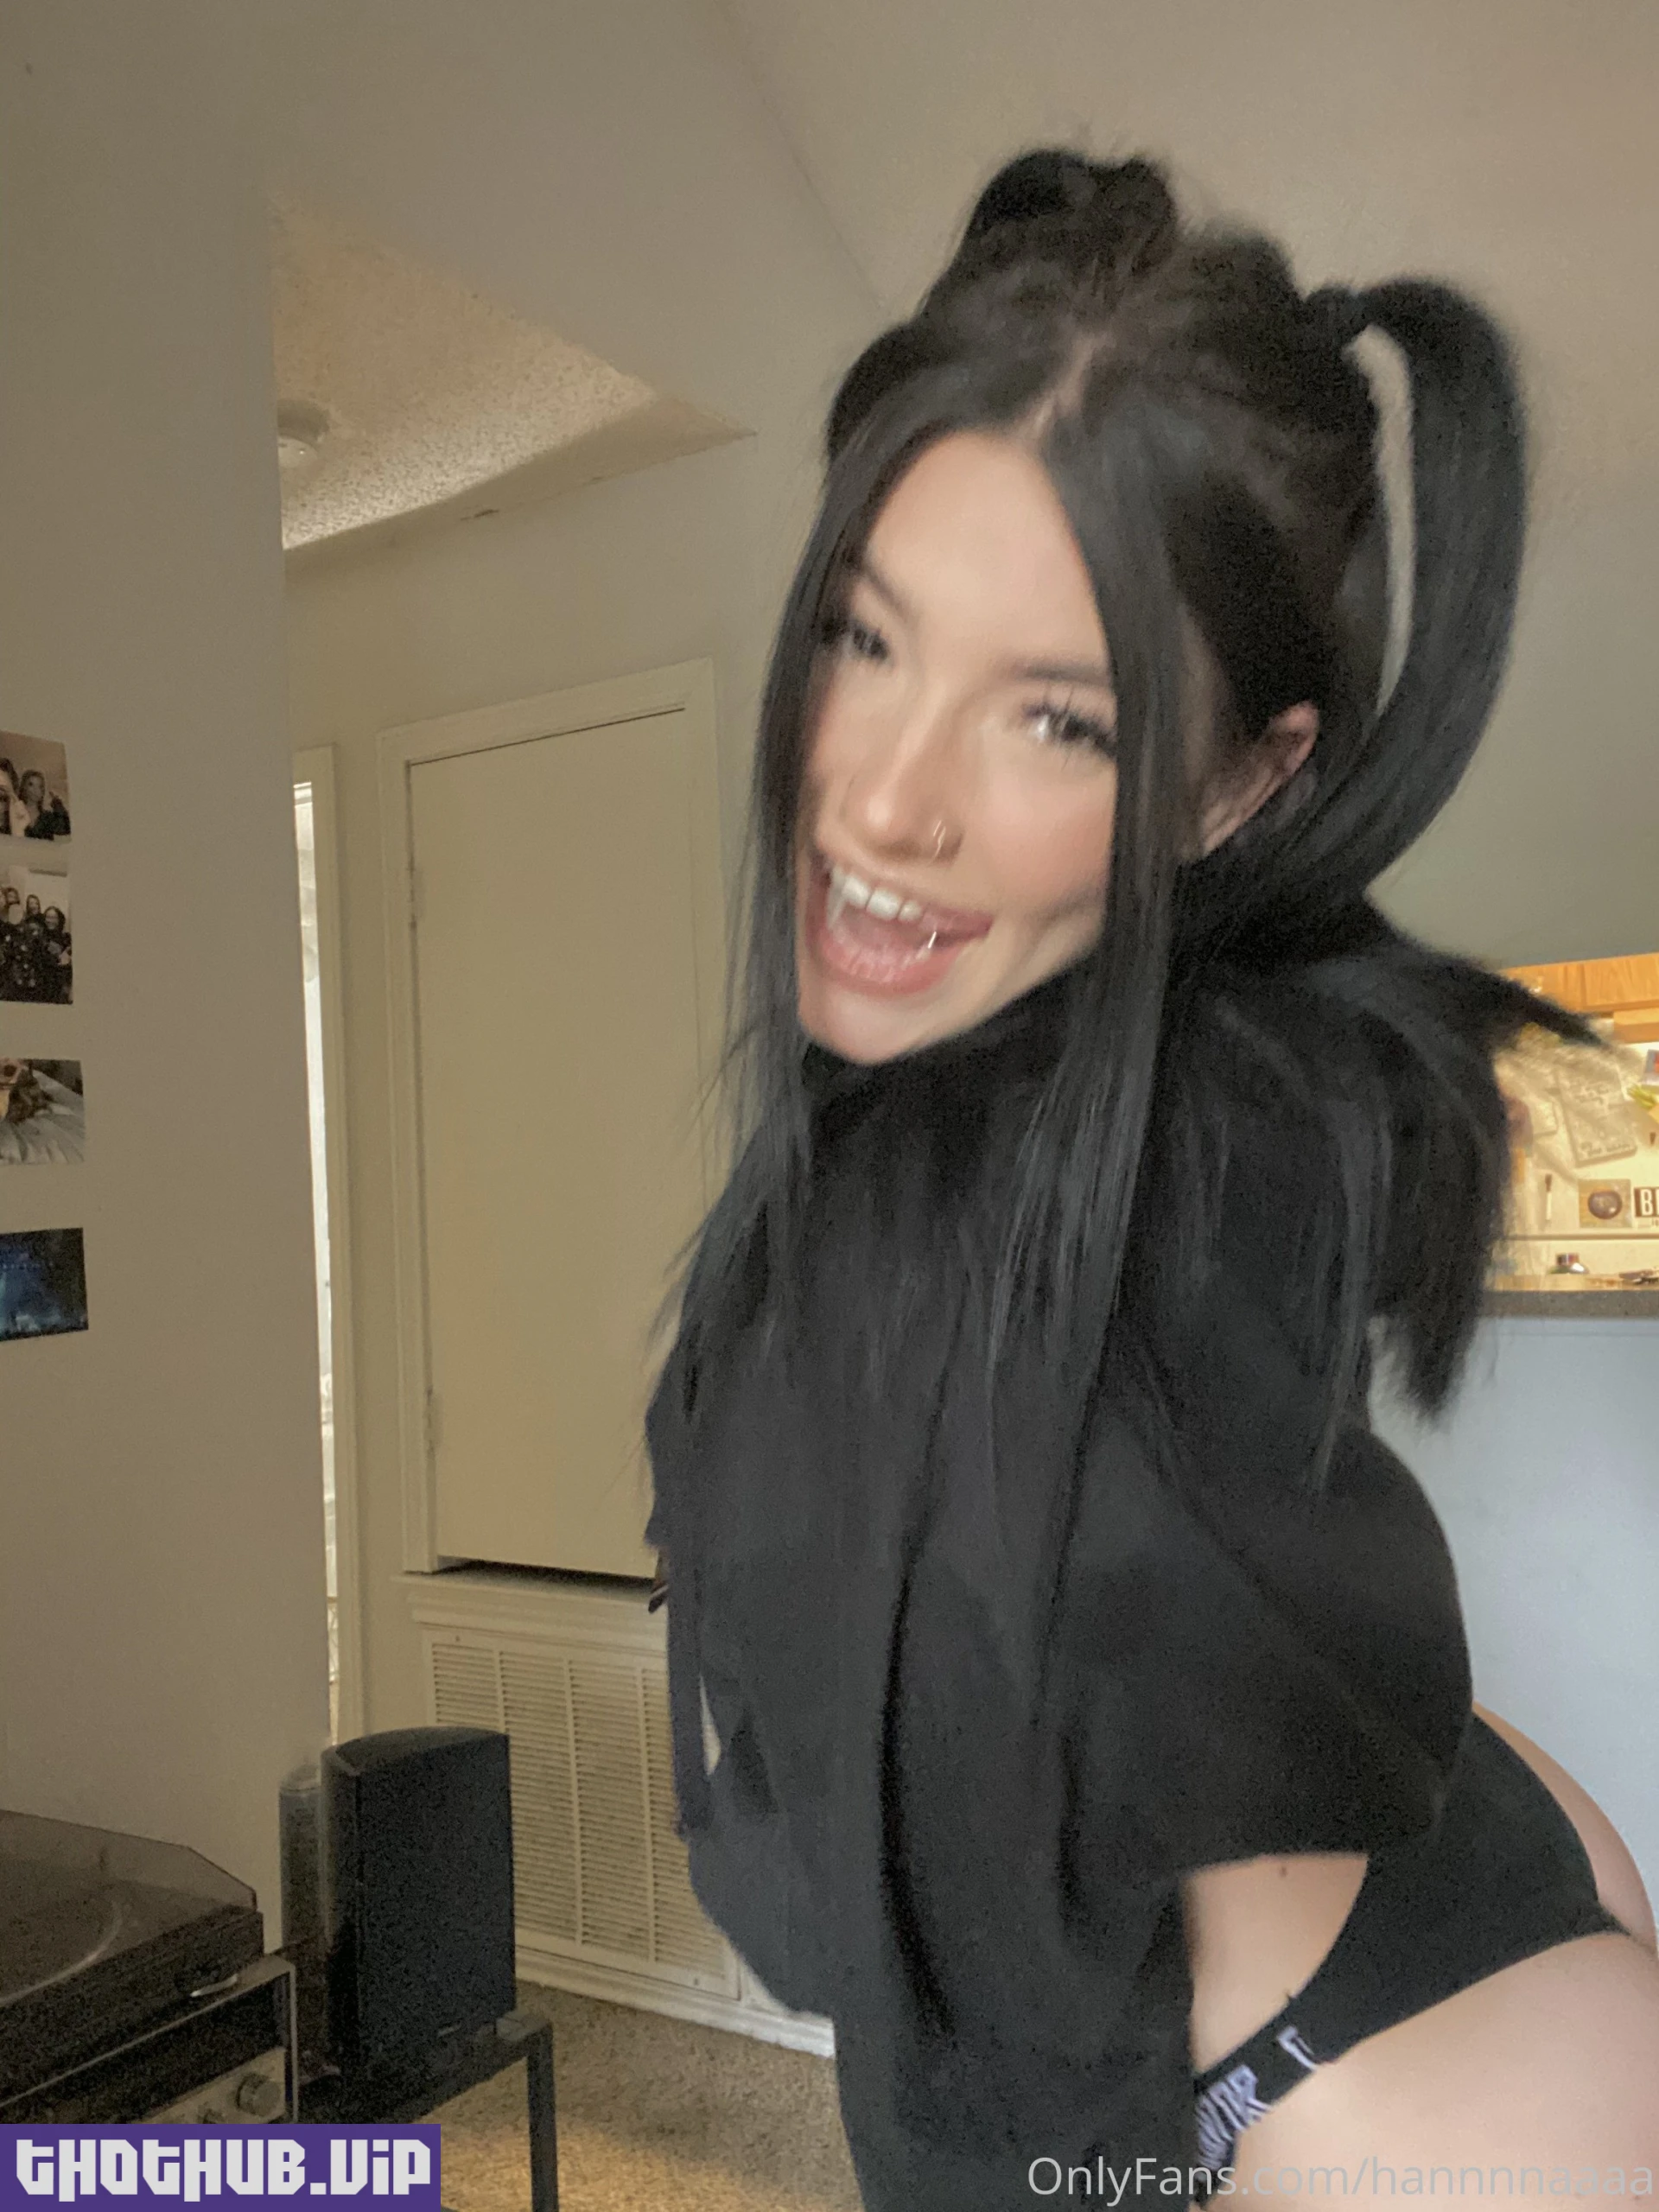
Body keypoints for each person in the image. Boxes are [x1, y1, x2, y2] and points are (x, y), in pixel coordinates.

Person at [643, 152, 1659, 2205]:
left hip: (1380, 2078)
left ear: (1243, 776)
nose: (884, 797)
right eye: (862, 636)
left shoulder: (1197, 1184)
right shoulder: (906, 1142)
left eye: (1056, 718)